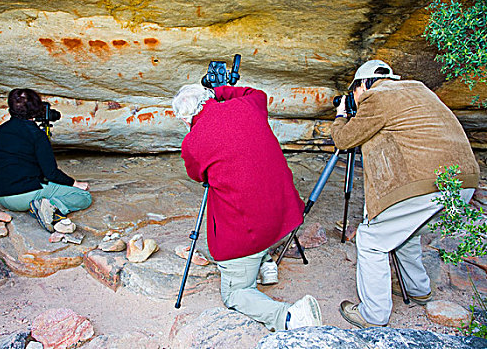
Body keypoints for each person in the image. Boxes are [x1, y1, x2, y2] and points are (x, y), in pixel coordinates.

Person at [331, 60, 480, 328]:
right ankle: (418, 289)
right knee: (405, 232)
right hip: (463, 183)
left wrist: (342, 114)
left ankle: (372, 315)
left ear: (364, 83)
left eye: (354, 91)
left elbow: (344, 140)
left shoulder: (377, 97)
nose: (355, 97)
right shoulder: (419, 90)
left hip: (425, 184)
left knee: (371, 241)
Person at [172, 84, 322, 331]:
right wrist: (218, 92)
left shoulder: (193, 141)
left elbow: (197, 175)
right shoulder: (247, 105)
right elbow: (258, 93)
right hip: (283, 216)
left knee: (235, 293)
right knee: (254, 195)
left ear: (186, 118)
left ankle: (290, 318)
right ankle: (265, 263)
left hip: (249, 232)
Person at [0, 88, 92, 233]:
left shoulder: (0, 130)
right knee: (84, 197)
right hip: (23, 195)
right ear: (36, 109)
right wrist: (74, 183)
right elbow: (51, 173)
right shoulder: (37, 135)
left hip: (1, 194)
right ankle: (48, 207)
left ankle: (41, 204)